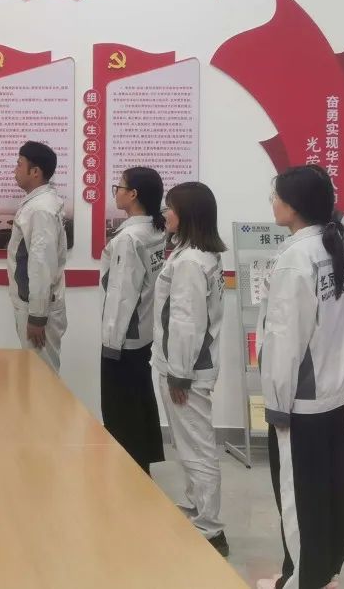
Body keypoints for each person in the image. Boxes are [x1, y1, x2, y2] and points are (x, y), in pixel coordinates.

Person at [255, 166, 344, 589]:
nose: (273, 202)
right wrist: (331, 211)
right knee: (330, 487)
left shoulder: (296, 257)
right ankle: (322, 573)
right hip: (334, 394)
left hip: (300, 403)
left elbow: (284, 340)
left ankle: (302, 580)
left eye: (277, 196)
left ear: (295, 205)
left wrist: (276, 405)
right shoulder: (335, 243)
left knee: (298, 495)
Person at [151, 181, 229, 557]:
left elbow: (186, 322)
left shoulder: (190, 262)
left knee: (197, 447)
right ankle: (197, 509)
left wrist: (179, 373)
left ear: (187, 214)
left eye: (170, 207)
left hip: (186, 371)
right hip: (184, 366)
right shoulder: (197, 254)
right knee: (189, 444)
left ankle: (210, 528)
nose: (165, 213)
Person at [100, 167, 167, 474]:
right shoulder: (155, 230)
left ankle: (127, 471)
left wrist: (111, 343)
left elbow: (121, 294)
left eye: (120, 187)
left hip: (124, 338)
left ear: (133, 194)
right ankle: (142, 464)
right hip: (144, 331)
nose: (116, 192)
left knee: (120, 408)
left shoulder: (129, 238)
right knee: (140, 400)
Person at [6, 141, 68, 373]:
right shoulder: (38, 204)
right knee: (36, 375)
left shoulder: (40, 209)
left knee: (42, 377)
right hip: (33, 305)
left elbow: (41, 264)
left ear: (35, 172)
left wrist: (37, 316)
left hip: (38, 311)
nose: (15, 170)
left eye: (19, 164)